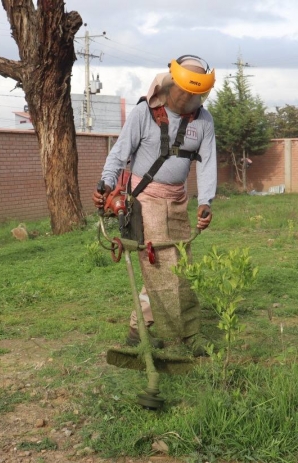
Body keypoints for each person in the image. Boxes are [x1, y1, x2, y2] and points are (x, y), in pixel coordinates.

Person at [92, 55, 216, 353]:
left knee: (180, 265)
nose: (188, 99)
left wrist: (206, 201)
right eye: (184, 92)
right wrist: (107, 182)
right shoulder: (143, 113)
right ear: (170, 85)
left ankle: (140, 329)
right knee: (161, 266)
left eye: (195, 95)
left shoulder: (203, 120)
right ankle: (184, 334)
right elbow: (119, 153)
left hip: (178, 201)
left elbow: (208, 162)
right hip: (146, 200)